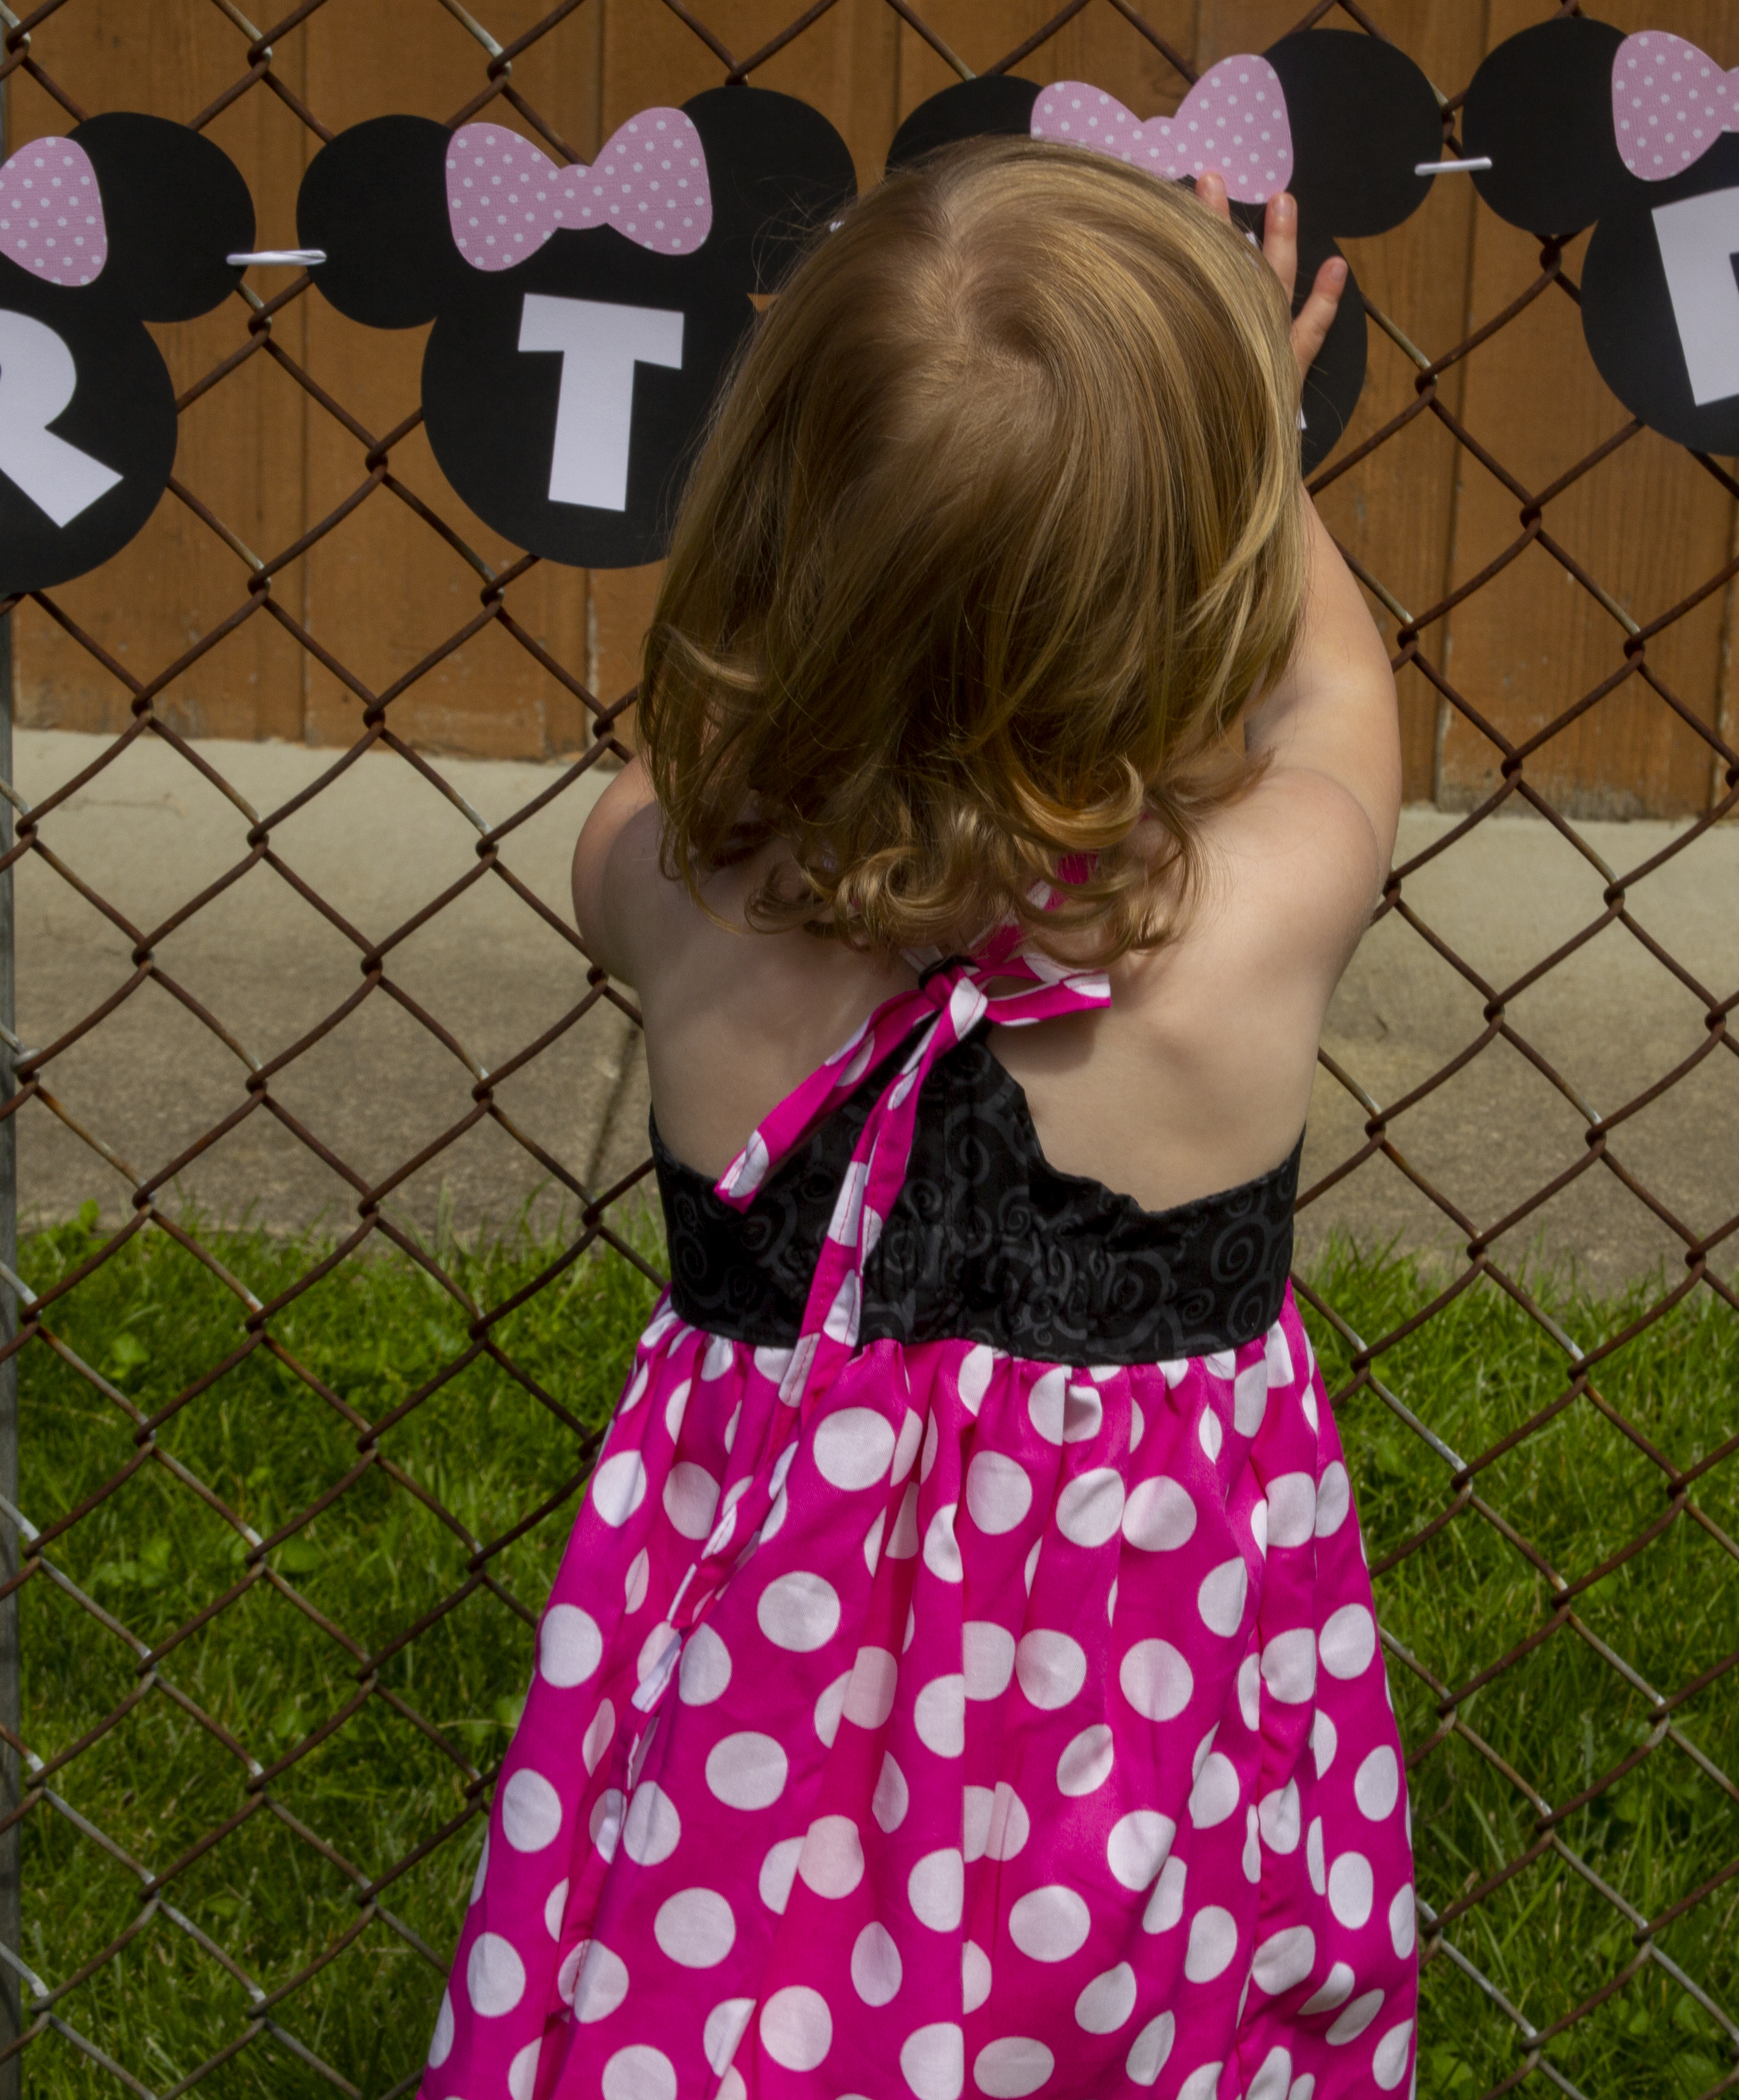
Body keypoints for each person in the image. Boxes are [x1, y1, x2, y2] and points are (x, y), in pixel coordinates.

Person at [422, 136, 1414, 2100]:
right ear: (1193, 585)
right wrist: (1267, 459)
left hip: (745, 1791)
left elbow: (660, 773)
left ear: (771, 544)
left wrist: (820, 590)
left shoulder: (691, 902)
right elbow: (1337, 705)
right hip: (1122, 1794)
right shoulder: (1241, 934)